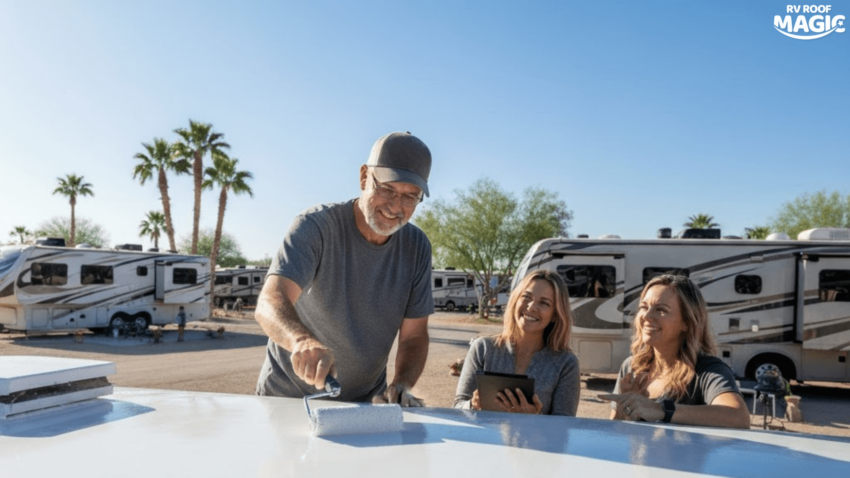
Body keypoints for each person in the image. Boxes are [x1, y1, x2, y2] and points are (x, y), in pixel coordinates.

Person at [255, 132, 434, 406]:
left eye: (411, 197)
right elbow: (270, 301)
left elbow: (414, 337)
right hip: (286, 400)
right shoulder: (315, 227)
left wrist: (401, 384)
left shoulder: (417, 246)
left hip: (363, 404)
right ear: (364, 177)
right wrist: (301, 341)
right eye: (387, 189)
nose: (396, 206)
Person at [599, 274, 750, 428]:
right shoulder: (632, 366)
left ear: (687, 322)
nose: (647, 316)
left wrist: (660, 410)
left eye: (661, 310)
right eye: (644, 307)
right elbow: (617, 430)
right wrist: (622, 411)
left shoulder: (707, 371)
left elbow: (739, 418)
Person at [453, 269, 581, 416]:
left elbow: (563, 429)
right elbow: (458, 407)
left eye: (544, 303)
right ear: (515, 300)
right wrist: (473, 405)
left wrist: (533, 420)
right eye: (527, 296)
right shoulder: (483, 348)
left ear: (555, 315)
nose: (532, 307)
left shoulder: (566, 364)